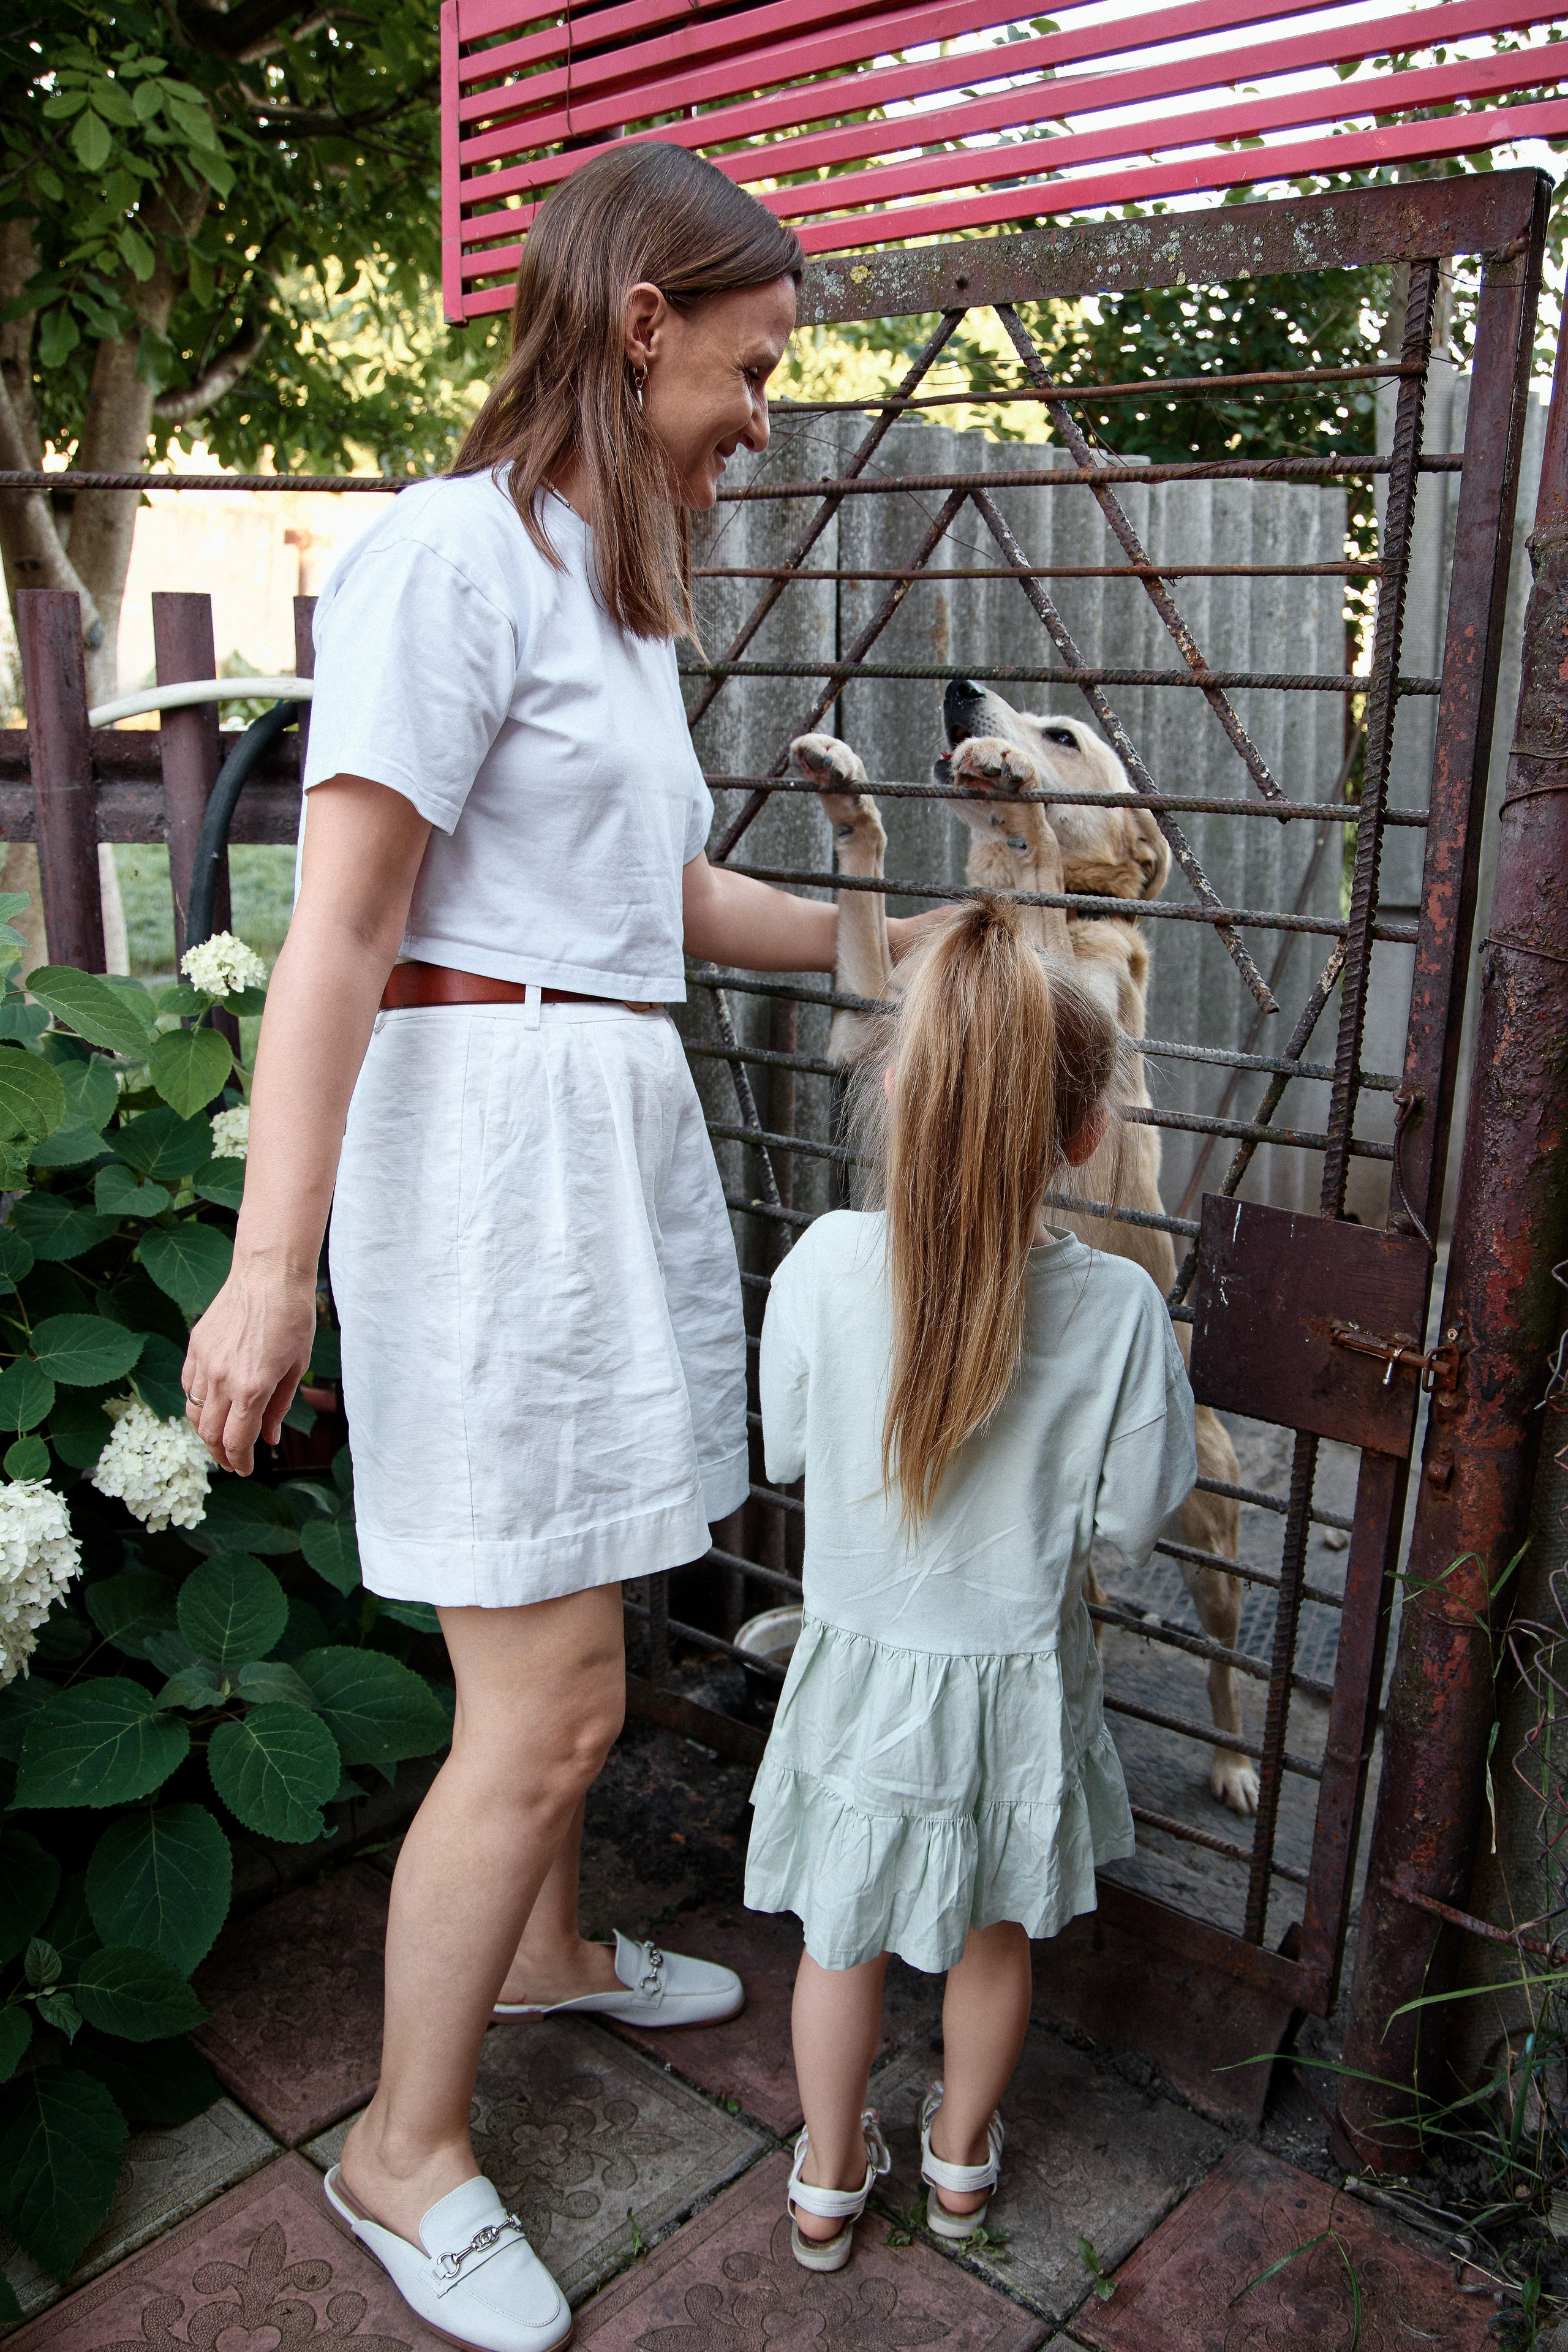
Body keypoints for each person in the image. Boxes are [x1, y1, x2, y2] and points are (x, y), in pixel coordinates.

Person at [180, 144, 937, 2352]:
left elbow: (666, 909)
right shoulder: (450, 557)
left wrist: (927, 948)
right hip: (491, 1155)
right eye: (754, 366)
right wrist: (269, 1264)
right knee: (554, 1698)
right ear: (639, 325)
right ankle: (403, 2152)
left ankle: (548, 1955)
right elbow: (341, 923)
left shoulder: (602, 598)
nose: (766, 416)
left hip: (593, 1127)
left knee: (557, 1630)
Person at [745, 897, 1198, 2272]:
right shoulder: (1117, 1306)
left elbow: (784, 1449)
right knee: (993, 1933)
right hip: (1014, 1686)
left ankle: (825, 2182)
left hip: (856, 1672)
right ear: (1081, 1132)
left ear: (893, 1093)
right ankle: (956, 2167)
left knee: (841, 1936)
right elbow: (1133, 1519)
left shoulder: (823, 1264)